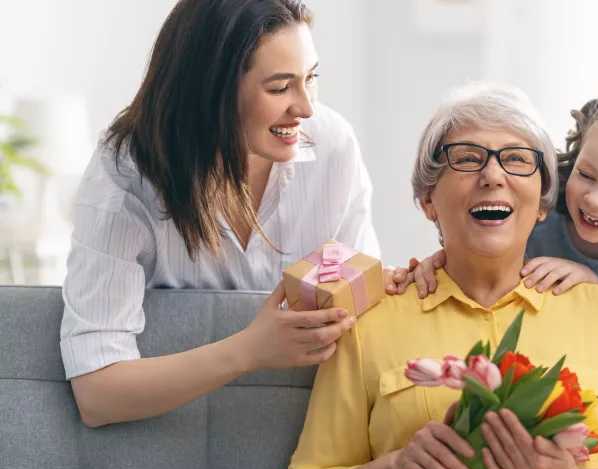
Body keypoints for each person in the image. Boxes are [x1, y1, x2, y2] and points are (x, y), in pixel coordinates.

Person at [284, 83, 598, 469]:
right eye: (466, 157)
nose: (492, 174)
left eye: (516, 159)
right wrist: (397, 467)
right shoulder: (370, 321)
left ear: (543, 202)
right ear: (427, 200)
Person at [60, 0, 408, 427]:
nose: (307, 108)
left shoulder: (332, 147)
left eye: (311, 79)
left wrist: (406, 283)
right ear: (212, 93)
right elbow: (97, 393)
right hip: (175, 438)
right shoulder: (125, 179)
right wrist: (249, 350)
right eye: (280, 88)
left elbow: (362, 301)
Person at [407, 88, 598, 330]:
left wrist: (592, 284)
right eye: (585, 175)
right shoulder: (540, 206)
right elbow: (481, 255)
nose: (594, 200)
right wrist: (440, 263)